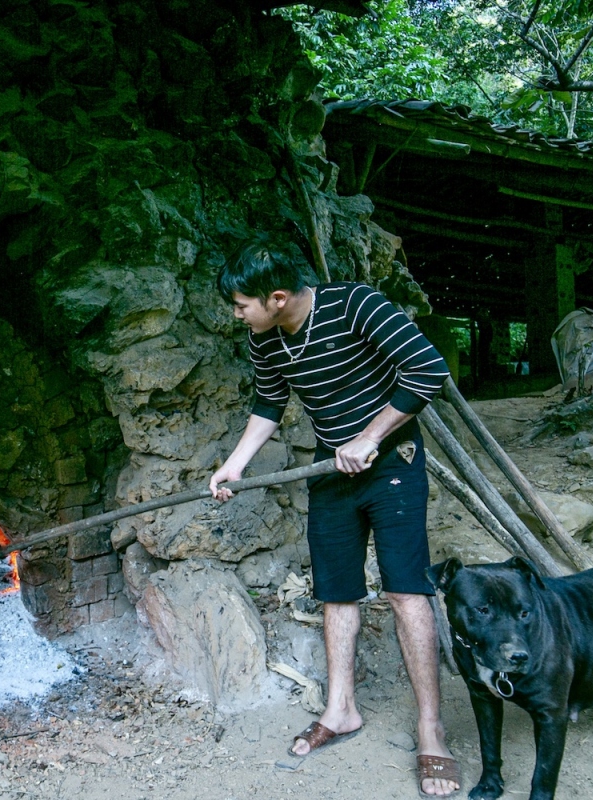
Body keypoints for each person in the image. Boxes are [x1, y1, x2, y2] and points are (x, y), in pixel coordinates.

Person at [209, 240, 459, 798]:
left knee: (405, 591)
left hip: (394, 463)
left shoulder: (355, 305)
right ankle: (341, 709)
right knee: (337, 592)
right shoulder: (266, 340)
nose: (236, 313)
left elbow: (428, 369)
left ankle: (431, 730)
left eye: (241, 303)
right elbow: (269, 404)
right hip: (331, 470)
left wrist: (370, 436)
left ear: (276, 298)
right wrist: (233, 466)